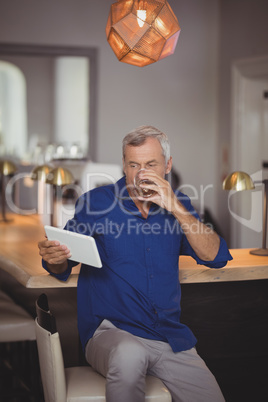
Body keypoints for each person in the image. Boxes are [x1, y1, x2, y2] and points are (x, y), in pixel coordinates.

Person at [38, 125, 232, 402]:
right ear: (124, 165)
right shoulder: (95, 203)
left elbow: (216, 257)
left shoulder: (180, 204)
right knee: (130, 353)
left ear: (167, 165)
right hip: (110, 334)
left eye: (150, 164)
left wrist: (175, 207)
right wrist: (54, 258)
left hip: (168, 338)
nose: (141, 173)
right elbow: (62, 265)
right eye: (133, 164)